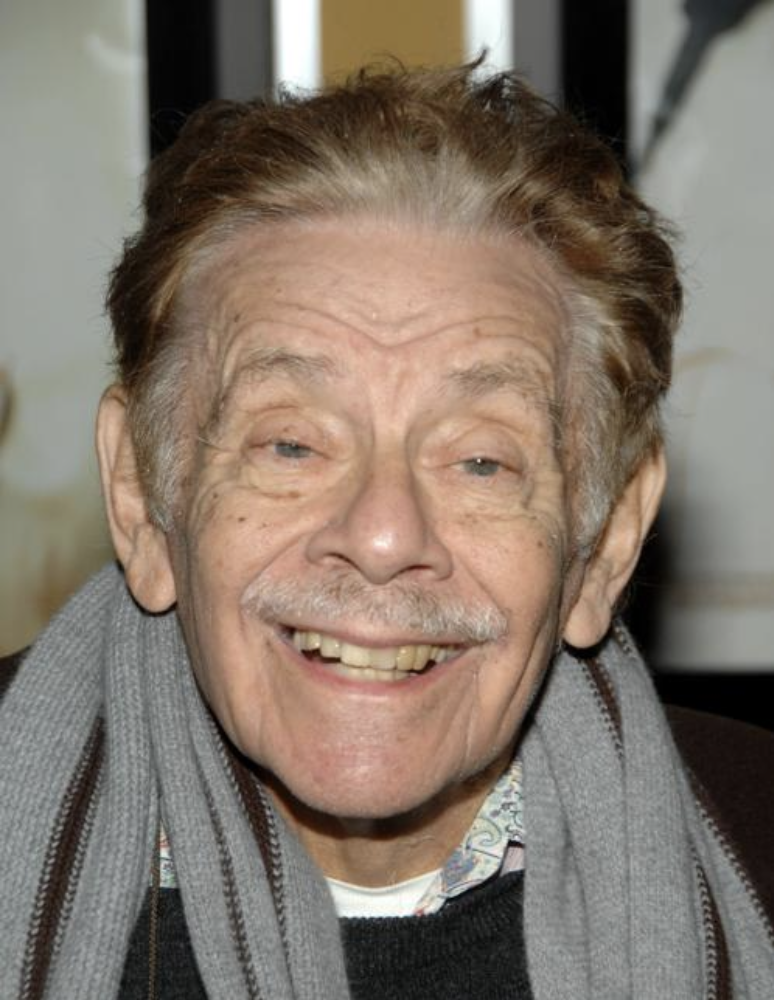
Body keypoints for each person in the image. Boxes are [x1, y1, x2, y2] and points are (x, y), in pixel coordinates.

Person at [1, 62, 772, 1000]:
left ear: (607, 537)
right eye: (291, 445)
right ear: (138, 492)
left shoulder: (757, 838)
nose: (381, 537)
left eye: (481, 461)